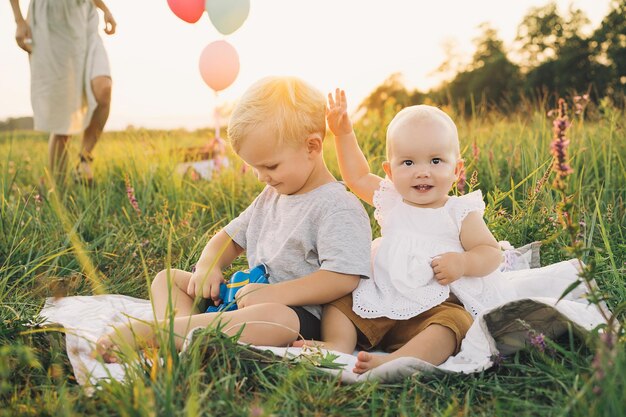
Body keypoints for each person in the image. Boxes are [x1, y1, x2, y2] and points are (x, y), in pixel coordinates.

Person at [294, 89, 582, 374]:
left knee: (454, 325)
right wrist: (344, 133)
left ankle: (402, 358)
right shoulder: (392, 200)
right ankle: (336, 344)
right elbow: (356, 176)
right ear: (390, 171)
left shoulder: (458, 212)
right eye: (408, 162)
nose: (422, 171)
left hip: (435, 307)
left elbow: (490, 253)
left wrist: (463, 263)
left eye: (435, 161)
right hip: (381, 298)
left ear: (456, 170)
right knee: (342, 301)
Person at [94, 77, 372, 362]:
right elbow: (229, 237)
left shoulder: (337, 206)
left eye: (270, 166)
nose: (262, 176)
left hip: (295, 314)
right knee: (167, 279)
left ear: (312, 147)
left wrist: (276, 294)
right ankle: (190, 334)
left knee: (277, 319)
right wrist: (208, 267)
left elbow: (342, 277)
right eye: (254, 167)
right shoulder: (270, 195)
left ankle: (162, 333)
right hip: (241, 299)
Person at [10, 0, 116, 184]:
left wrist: (105, 9)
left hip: (84, 17)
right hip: (49, 24)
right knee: (63, 119)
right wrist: (19, 21)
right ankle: (58, 191)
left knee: (103, 89)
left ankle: (85, 159)